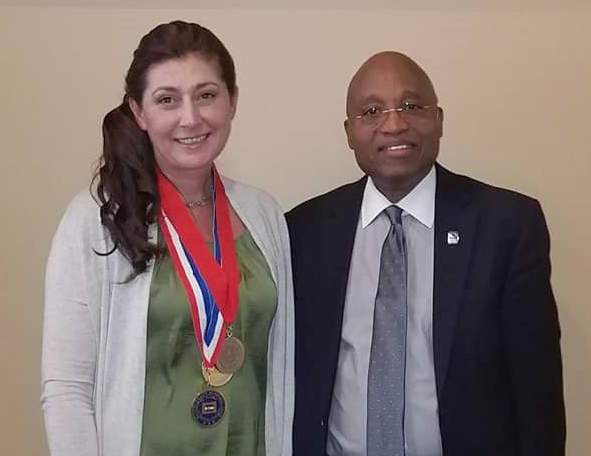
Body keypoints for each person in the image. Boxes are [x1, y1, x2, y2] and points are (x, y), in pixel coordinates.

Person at [287, 51, 565, 456]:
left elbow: (537, 389)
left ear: (438, 119)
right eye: (371, 111)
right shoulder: (304, 231)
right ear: (350, 132)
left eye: (412, 106)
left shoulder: (507, 225)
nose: (394, 124)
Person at [41, 20, 294, 456]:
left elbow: (279, 367)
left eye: (207, 95)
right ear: (138, 112)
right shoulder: (95, 219)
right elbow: (67, 389)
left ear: (232, 101)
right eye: (167, 100)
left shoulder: (264, 214)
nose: (190, 117)